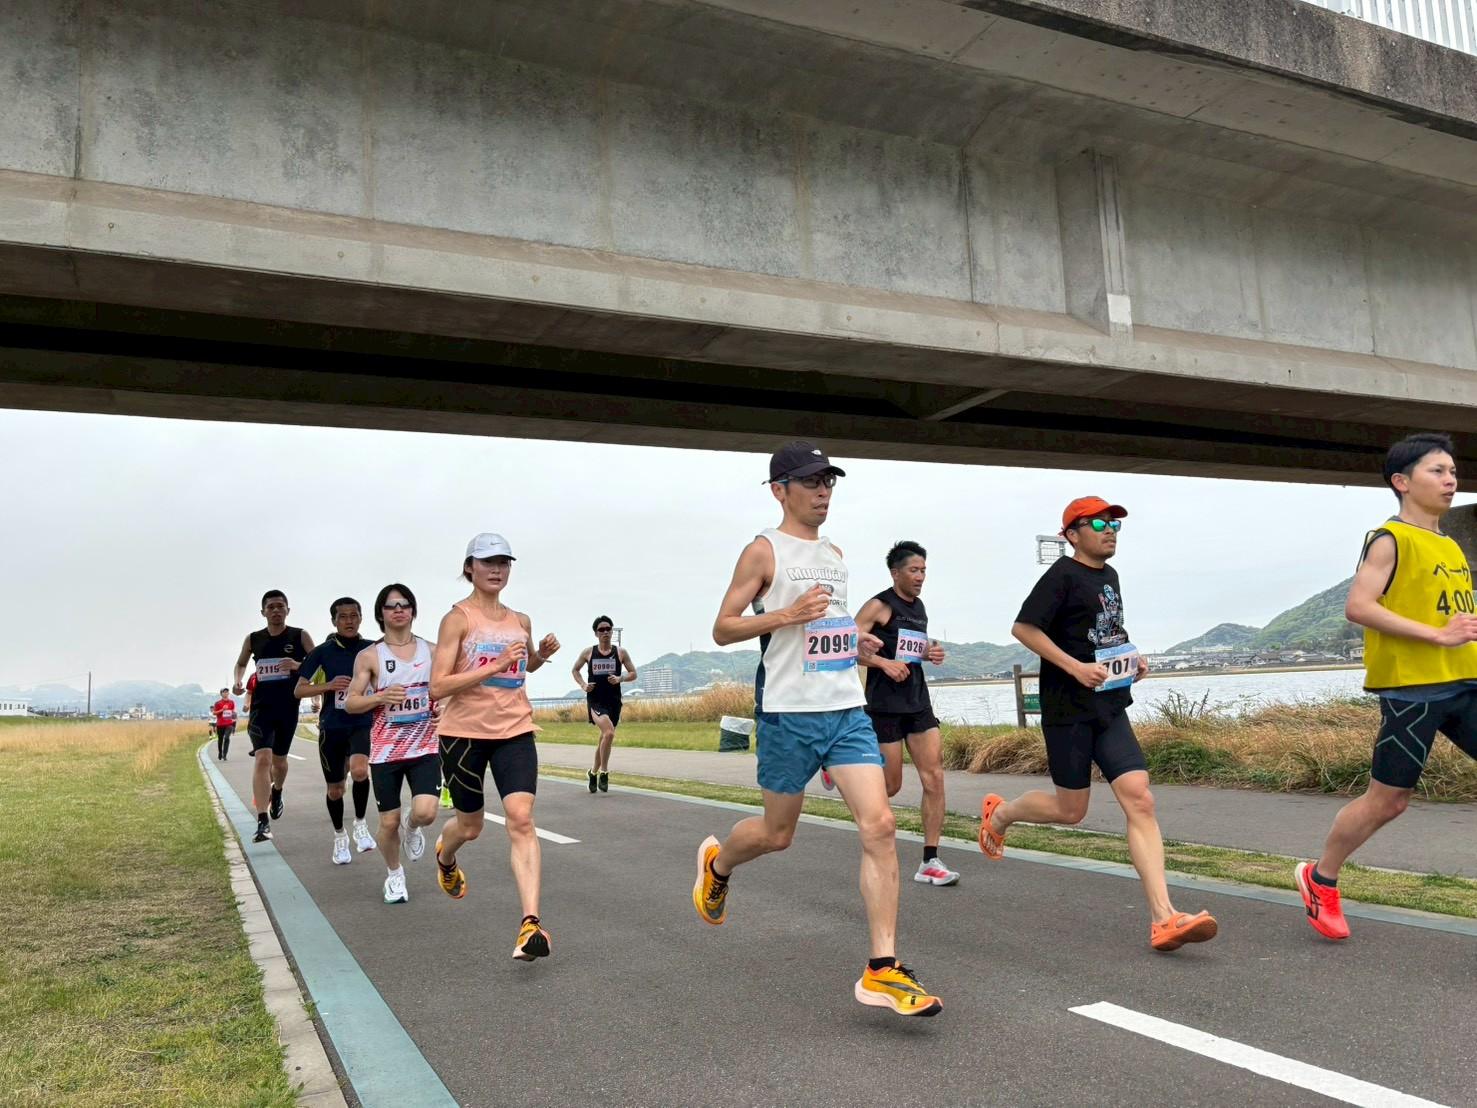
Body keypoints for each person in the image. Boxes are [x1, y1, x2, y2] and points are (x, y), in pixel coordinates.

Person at [691, 441, 942, 1017]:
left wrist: (858, 643)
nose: (823, 491)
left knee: (880, 825)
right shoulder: (762, 551)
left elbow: (828, 631)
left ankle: (882, 969)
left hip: (847, 709)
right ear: (779, 490)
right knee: (777, 834)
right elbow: (723, 628)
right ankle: (719, 864)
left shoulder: (835, 553)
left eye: (828, 481)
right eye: (810, 482)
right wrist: (786, 615)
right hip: (788, 713)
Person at [978, 497, 1217, 953]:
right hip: (1068, 711)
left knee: (1140, 798)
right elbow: (1024, 628)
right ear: (1072, 534)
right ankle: (1002, 814)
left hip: (1109, 706)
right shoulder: (1061, 575)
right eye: (1100, 524)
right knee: (1071, 811)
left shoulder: (1111, 576)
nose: (1110, 531)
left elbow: (1107, 631)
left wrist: (1131, 656)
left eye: (1115, 525)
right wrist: (1074, 667)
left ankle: (1164, 918)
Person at [1297, 433, 1477, 941]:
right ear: (1402, 482)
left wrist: (1454, 634)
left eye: (1452, 471)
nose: (1450, 480)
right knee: (1389, 801)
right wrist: (1437, 636)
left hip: (1465, 682)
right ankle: (1321, 878)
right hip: (1413, 692)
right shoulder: (1389, 538)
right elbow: (1359, 606)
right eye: (1437, 471)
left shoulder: (1449, 544)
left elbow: (1452, 614)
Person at [430, 533, 561, 961]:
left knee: (521, 819)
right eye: (487, 562)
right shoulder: (457, 620)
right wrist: (495, 665)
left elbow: (524, 668)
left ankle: (530, 924)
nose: (497, 570)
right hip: (463, 735)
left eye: (504, 562)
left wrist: (539, 655)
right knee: (470, 828)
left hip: (515, 731)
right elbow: (437, 686)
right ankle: (446, 857)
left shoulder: (520, 620)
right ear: (469, 567)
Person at [856, 541, 957, 887]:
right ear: (895, 572)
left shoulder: (920, 607)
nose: (920, 577)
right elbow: (844, 645)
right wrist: (882, 663)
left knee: (935, 778)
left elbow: (910, 648)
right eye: (914, 570)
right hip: (885, 706)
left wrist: (929, 653)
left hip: (917, 702)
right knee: (891, 786)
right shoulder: (879, 606)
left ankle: (930, 860)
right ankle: (839, 766)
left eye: (924, 570)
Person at [346, 584, 442, 905]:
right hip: (386, 752)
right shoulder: (370, 656)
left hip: (425, 747)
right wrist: (380, 697)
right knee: (388, 822)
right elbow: (351, 702)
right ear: (381, 614)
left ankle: (412, 827)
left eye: (404, 604)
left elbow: (449, 691)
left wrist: (445, 708)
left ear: (413, 610)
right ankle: (394, 874)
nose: (398, 610)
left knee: (426, 813)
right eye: (391, 606)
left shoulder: (433, 651)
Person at [295, 598, 378, 864]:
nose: (349, 621)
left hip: (361, 721)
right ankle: (340, 836)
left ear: (361, 618)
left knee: (360, 770)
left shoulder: (374, 648)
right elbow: (299, 690)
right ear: (334, 621)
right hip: (332, 726)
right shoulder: (322, 652)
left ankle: (360, 824)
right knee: (336, 790)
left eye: (354, 615)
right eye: (343, 616)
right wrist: (328, 686)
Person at [234, 591, 314, 843]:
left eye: (280, 606)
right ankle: (262, 821)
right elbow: (241, 663)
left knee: (279, 763)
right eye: (271, 607)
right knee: (262, 759)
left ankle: (277, 790)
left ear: (288, 610)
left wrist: (297, 665)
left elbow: (319, 663)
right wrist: (238, 681)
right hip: (261, 709)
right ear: (263, 612)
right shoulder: (254, 638)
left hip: (288, 708)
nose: (276, 610)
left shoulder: (300, 636)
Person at [570, 616, 636, 793]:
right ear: (596, 633)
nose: (605, 632)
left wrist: (620, 678)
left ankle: (593, 773)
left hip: (614, 701)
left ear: (612, 631)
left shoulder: (620, 653)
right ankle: (604, 772)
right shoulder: (588, 653)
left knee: (605, 738)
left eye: (608, 629)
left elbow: (633, 673)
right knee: (609, 732)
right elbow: (575, 670)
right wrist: (583, 685)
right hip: (596, 700)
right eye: (601, 629)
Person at [211, 687, 238, 760]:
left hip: (229, 724)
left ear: (228, 693)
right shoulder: (217, 703)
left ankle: (224, 754)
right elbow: (214, 713)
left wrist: (234, 714)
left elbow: (233, 711)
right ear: (221, 694)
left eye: (227, 692)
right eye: (224, 692)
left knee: (227, 738)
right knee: (220, 739)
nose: (226, 693)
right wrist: (222, 710)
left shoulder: (231, 702)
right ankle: (220, 752)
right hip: (220, 724)